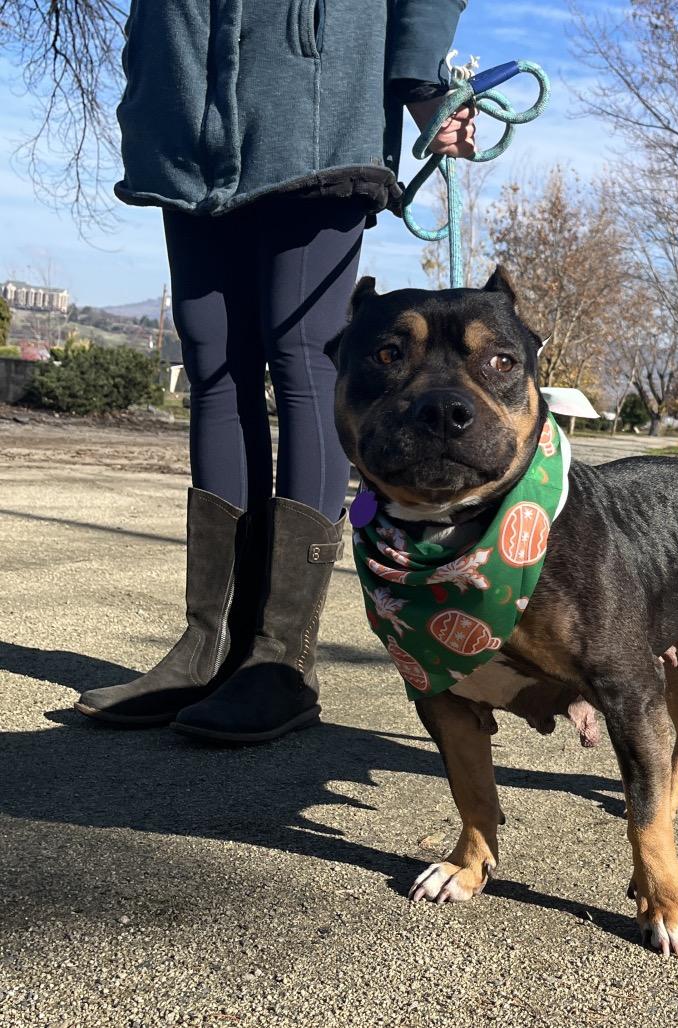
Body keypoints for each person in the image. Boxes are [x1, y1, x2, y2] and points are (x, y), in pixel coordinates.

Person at [75, 0, 474, 742]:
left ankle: (282, 659)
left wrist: (423, 81)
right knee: (212, 367)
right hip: (186, 96)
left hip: (317, 93)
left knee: (302, 365)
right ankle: (209, 644)